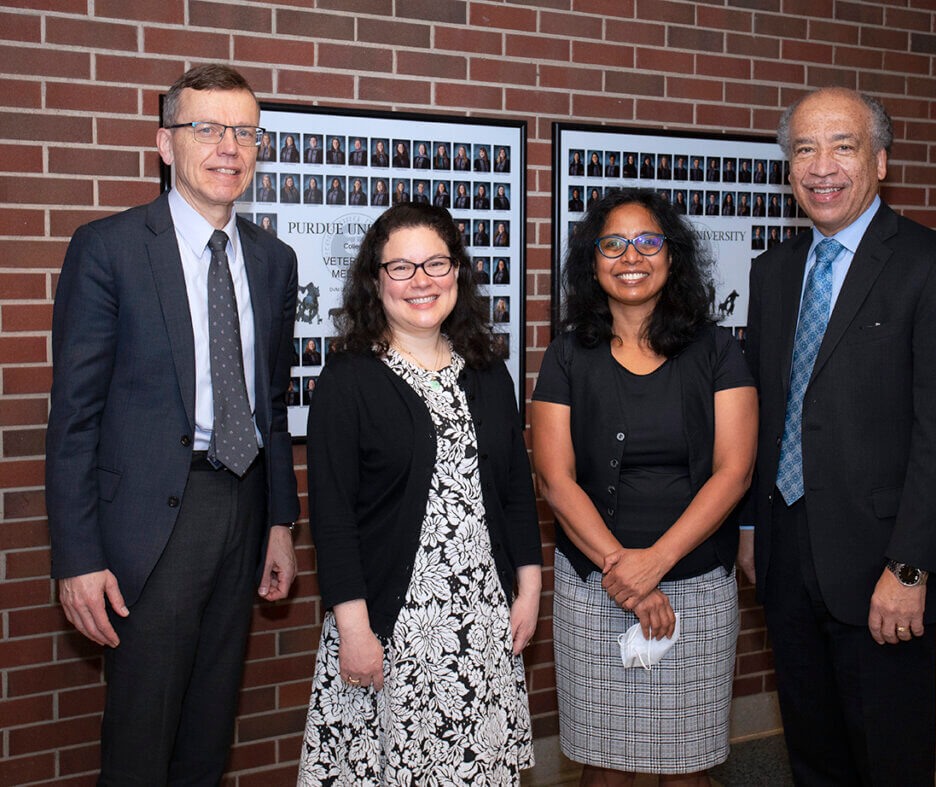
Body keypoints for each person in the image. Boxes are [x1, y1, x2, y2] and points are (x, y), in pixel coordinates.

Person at [45, 64, 299, 783]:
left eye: (244, 131)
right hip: (150, 527)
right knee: (141, 735)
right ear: (165, 142)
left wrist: (281, 519)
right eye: (207, 128)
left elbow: (271, 405)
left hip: (242, 508)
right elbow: (74, 419)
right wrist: (76, 557)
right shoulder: (110, 249)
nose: (229, 146)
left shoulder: (275, 263)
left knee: (208, 729)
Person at [739, 87, 936, 786]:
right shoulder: (774, 271)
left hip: (886, 569)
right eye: (804, 150)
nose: (822, 166)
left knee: (889, 762)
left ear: (879, 159)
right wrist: (755, 526)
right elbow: (770, 410)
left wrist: (912, 567)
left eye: (842, 146)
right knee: (813, 757)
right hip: (787, 561)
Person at [297, 202, 541, 784]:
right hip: (389, 625)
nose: (422, 281)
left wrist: (529, 588)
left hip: (483, 620)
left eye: (436, 263)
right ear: (375, 280)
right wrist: (353, 630)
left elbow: (513, 490)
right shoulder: (348, 378)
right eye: (401, 268)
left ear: (458, 271)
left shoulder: (486, 370)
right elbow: (331, 518)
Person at [532, 189, 756, 784]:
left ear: (672, 256)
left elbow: (735, 471)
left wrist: (655, 562)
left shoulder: (719, 350)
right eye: (613, 243)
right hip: (596, 588)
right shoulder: (566, 355)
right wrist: (622, 571)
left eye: (648, 241)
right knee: (605, 766)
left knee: (689, 764)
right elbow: (554, 479)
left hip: (697, 584)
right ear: (593, 260)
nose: (631, 256)